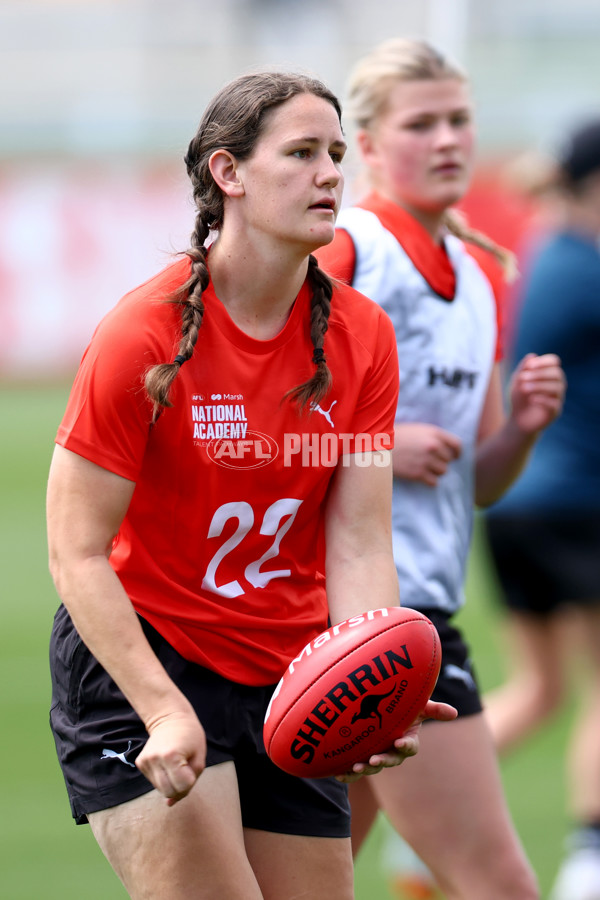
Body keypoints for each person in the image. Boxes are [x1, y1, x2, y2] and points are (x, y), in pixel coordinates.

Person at [46, 71, 456, 900]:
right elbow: (77, 549)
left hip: (288, 672)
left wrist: (370, 682)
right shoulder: (144, 333)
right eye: (302, 153)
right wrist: (161, 708)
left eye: (337, 154)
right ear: (228, 174)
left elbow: (359, 536)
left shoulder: (364, 335)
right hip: (146, 663)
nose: (331, 174)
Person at [315, 37, 565, 900]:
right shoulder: (347, 252)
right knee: (500, 884)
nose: (450, 138)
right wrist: (378, 445)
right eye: (422, 123)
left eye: (460, 119)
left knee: (313, 887)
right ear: (372, 148)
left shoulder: (480, 273)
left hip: (414, 605)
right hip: (350, 621)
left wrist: (523, 432)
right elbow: (264, 431)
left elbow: (478, 483)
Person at [483, 117, 600, 900]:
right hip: (576, 506)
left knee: (540, 689)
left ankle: (415, 815)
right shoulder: (584, 266)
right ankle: (590, 867)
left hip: (516, 505)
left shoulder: (549, 252)